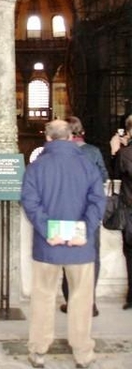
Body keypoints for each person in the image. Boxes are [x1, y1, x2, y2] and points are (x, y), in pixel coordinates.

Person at [21, 119, 105, 369]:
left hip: (48, 247)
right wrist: (84, 229)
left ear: (47, 138)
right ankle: (82, 353)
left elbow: (30, 202)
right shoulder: (87, 164)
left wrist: (48, 229)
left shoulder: (36, 167)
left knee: (43, 297)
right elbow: (97, 201)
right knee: (81, 298)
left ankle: (38, 350)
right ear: (70, 137)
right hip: (81, 247)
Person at [60, 116, 108, 317]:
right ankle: (89, 303)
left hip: (66, 213)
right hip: (89, 213)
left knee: (67, 257)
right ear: (82, 132)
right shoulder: (93, 152)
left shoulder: (60, 154)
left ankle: (72, 301)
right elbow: (103, 176)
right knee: (91, 258)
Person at [110, 114, 132, 310]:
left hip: (130, 209)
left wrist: (116, 151)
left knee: (131, 253)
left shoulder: (126, 154)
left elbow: (115, 175)